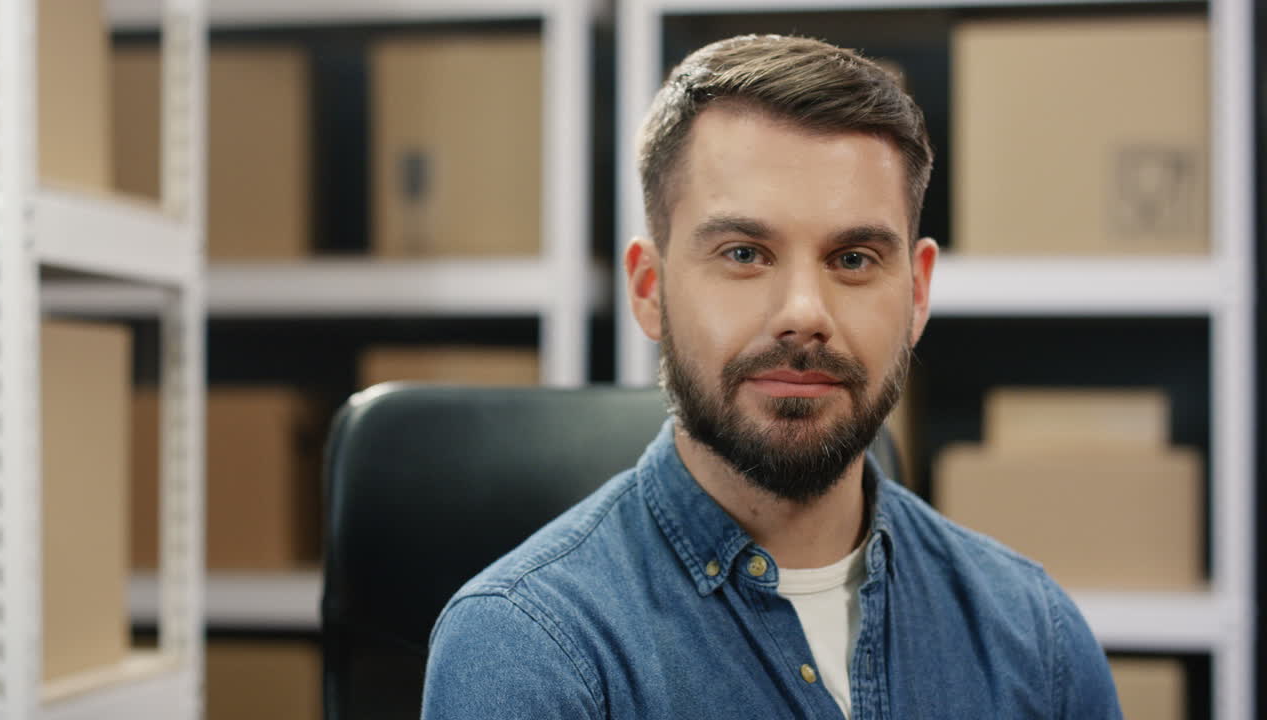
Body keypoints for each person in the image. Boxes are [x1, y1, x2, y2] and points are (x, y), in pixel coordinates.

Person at [421, 34, 1121, 718]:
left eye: (853, 259)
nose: (803, 314)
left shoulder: (1037, 637)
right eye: (744, 253)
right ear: (648, 289)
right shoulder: (530, 649)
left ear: (917, 294)